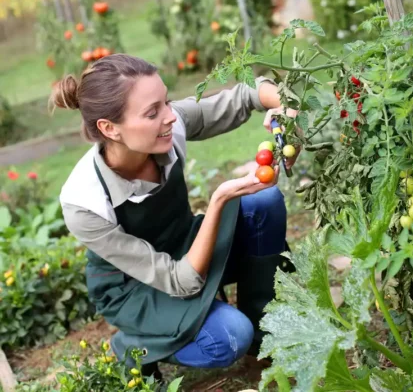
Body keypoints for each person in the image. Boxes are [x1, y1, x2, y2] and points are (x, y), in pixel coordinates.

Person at [51, 53, 299, 379]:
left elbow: (246, 96)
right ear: (109, 128)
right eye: (153, 112)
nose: (170, 116)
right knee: (228, 338)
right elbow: (179, 281)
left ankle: (264, 336)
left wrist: (284, 108)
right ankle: (133, 345)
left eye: (166, 102)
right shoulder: (84, 202)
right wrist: (220, 199)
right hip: (136, 287)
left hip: (184, 245)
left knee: (263, 201)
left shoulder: (167, 129)